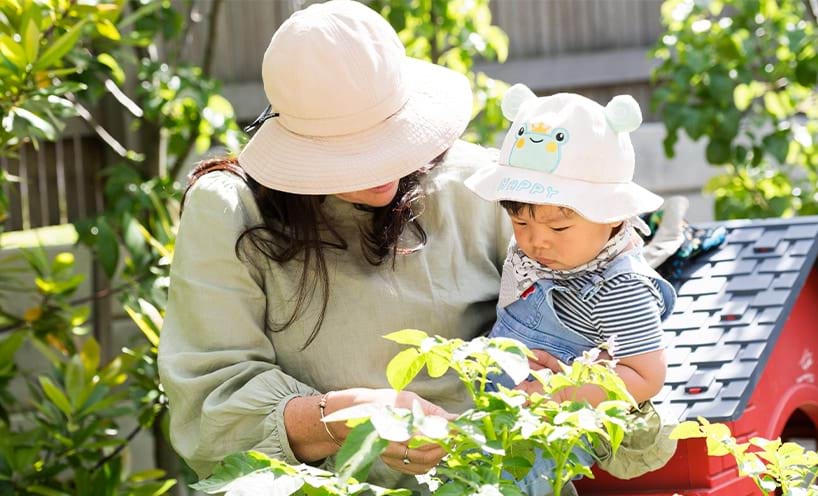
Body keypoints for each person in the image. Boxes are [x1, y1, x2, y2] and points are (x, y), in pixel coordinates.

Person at [156, 0, 513, 492]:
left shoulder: (481, 186)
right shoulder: (233, 212)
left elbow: (582, 339)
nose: (384, 174)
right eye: (353, 154)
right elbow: (209, 406)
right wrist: (342, 420)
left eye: (393, 140)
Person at [464, 84, 677, 494]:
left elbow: (646, 375)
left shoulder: (620, 286)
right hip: (499, 405)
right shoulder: (545, 253)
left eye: (558, 227)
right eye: (520, 223)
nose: (536, 242)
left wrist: (558, 394)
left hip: (549, 430)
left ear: (614, 215)